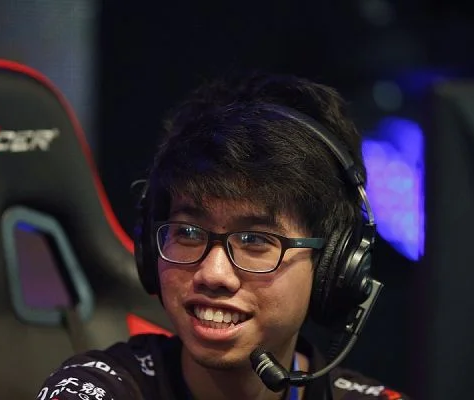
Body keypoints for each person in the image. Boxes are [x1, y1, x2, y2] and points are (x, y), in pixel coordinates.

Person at [36, 73, 409, 400]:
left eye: (254, 241)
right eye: (188, 232)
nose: (213, 274)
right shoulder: (96, 389)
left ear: (333, 266)